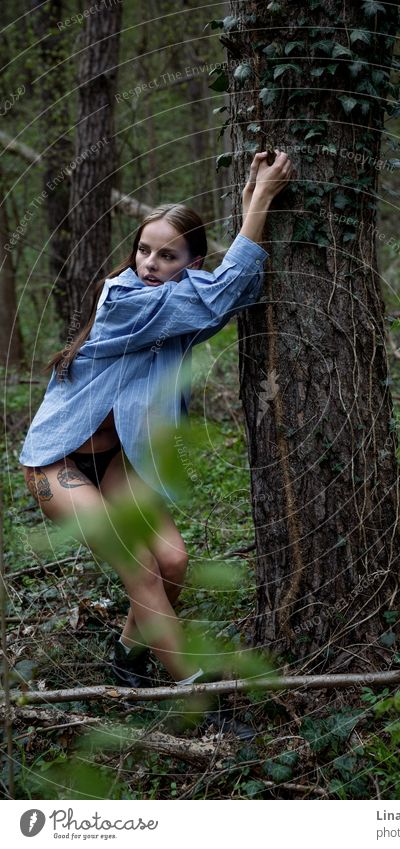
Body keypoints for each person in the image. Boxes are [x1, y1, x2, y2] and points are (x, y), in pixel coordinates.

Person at [19, 149, 294, 691]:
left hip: (119, 458)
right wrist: (259, 200)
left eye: (167, 257)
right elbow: (216, 298)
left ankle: (129, 657)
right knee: (141, 569)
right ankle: (199, 694)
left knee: (172, 562)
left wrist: (250, 211)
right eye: (144, 250)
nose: (149, 263)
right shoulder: (122, 297)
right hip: (57, 462)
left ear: (190, 265)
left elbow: (233, 291)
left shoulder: (181, 309)